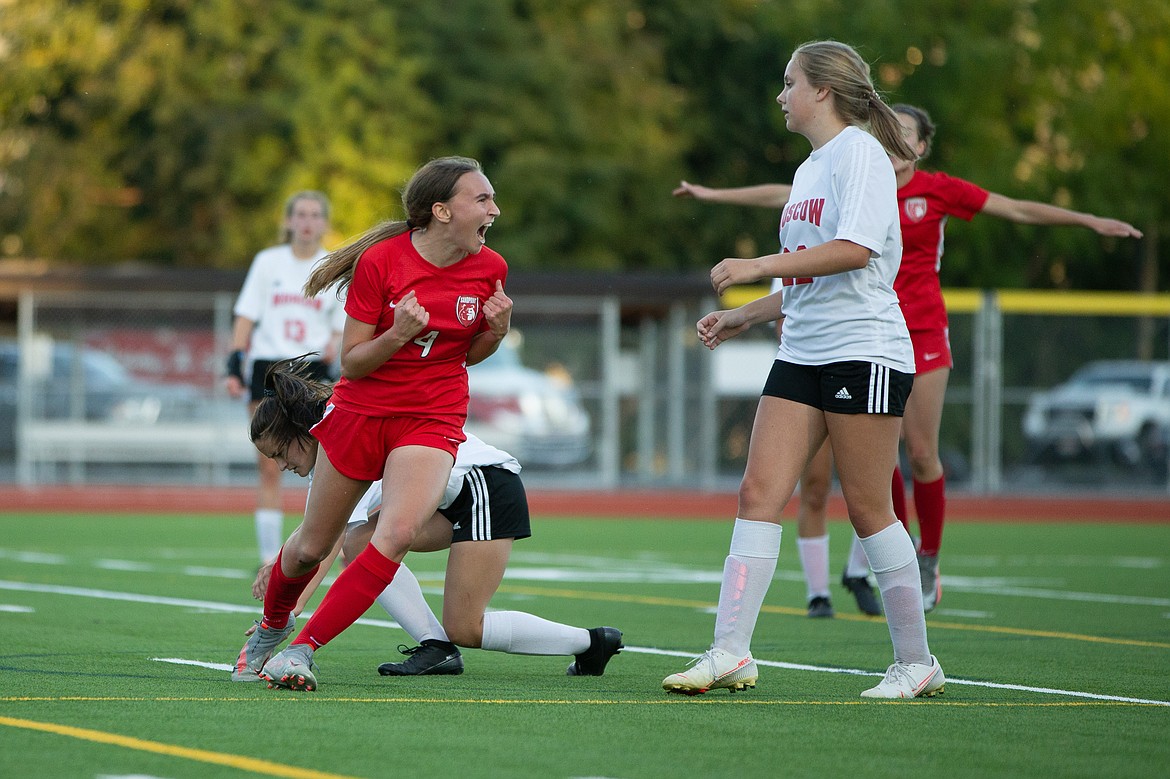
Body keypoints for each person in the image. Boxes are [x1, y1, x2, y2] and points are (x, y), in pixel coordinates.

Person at [674, 105, 1143, 613]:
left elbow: (1018, 209)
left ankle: (926, 564)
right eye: (887, 128)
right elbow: (783, 199)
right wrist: (713, 198)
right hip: (841, 333)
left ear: (921, 148)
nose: (890, 138)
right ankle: (797, 616)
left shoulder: (932, 188)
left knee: (918, 454)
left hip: (905, 331)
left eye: (904, 134)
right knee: (864, 473)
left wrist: (1089, 220)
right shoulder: (849, 173)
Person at [661, 40, 945, 699]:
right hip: (803, 349)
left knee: (870, 507)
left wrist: (757, 266)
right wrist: (748, 314)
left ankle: (917, 660)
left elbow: (856, 250)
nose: (781, 94)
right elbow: (811, 273)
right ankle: (730, 650)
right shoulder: (813, 167)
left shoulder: (862, 154)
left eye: (789, 82)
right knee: (758, 491)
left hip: (863, 347)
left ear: (822, 90)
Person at [233, 156, 514, 692]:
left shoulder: (490, 268)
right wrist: (397, 334)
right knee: (313, 547)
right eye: (481, 200)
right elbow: (355, 361)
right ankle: (272, 627)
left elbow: (465, 355)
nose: (493, 210)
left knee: (397, 532)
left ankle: (301, 650)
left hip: (432, 416)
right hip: (361, 413)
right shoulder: (382, 262)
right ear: (440, 211)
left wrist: (496, 333)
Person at [235, 356, 623, 680]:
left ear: (305, 431)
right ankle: (436, 647)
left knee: (466, 627)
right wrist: (284, 607)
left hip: (485, 486)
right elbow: (322, 539)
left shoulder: (342, 437)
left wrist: (287, 616)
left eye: (281, 451)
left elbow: (322, 545)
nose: (282, 465)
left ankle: (592, 642)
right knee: (362, 542)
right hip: (449, 498)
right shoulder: (334, 442)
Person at [224, 191, 346, 567]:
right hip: (268, 367)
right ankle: (269, 556)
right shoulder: (268, 263)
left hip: (311, 371)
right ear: (289, 221)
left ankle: (328, 545)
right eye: (300, 215)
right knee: (270, 461)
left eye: (314, 215)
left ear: (323, 223)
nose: (307, 222)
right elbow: (245, 317)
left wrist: (335, 342)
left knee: (330, 461)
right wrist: (233, 365)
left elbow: (343, 324)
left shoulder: (332, 265)